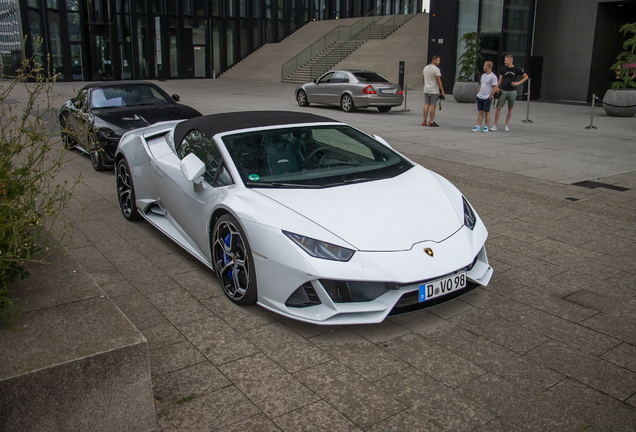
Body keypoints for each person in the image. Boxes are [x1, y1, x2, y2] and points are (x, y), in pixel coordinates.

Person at [492, 55, 528, 131]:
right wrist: (497, 87)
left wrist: (518, 83)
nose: (505, 61)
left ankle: (506, 125)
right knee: (499, 108)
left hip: (512, 91)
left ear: (510, 60)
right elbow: (500, 79)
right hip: (503, 90)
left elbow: (526, 76)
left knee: (510, 108)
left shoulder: (517, 69)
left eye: (506, 60)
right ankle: (495, 125)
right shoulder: (503, 69)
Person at [471, 61, 499, 133]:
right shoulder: (483, 75)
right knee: (480, 111)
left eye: (485, 65)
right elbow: (481, 84)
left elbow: (495, 87)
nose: (484, 67)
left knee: (487, 111)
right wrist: (478, 93)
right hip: (480, 96)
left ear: (489, 67)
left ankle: (486, 126)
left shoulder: (493, 77)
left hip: (487, 97)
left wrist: (490, 96)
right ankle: (478, 126)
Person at [422, 56, 445, 127]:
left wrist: (425, 85)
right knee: (433, 105)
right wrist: (442, 90)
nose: (439, 62)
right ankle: (431, 121)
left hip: (426, 89)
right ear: (434, 60)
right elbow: (438, 81)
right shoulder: (436, 69)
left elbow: (423, 78)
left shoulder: (425, 68)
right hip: (434, 90)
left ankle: (424, 121)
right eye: (438, 60)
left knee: (426, 104)